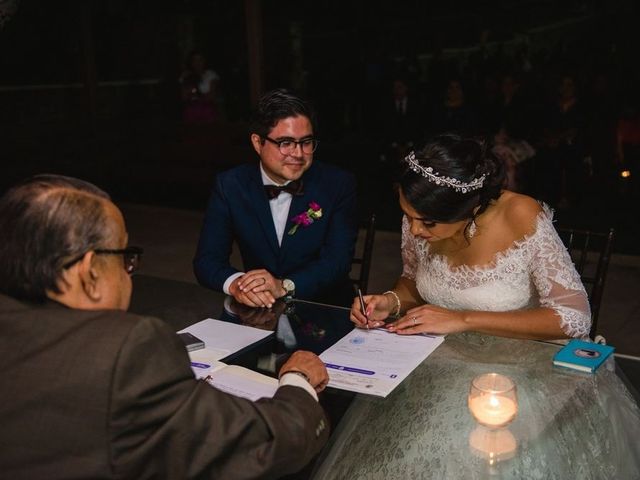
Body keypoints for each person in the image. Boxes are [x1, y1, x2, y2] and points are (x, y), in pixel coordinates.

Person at [0, 174, 330, 479]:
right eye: (125, 258)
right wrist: (297, 380)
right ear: (90, 272)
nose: (129, 274)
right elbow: (268, 444)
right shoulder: (124, 350)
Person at [350, 133, 591, 340]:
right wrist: (390, 302)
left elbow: (574, 317)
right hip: (440, 352)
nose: (414, 230)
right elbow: (413, 280)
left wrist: (463, 319)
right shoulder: (420, 215)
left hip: (519, 358)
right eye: (407, 216)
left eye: (429, 223)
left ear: (469, 209)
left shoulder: (519, 214)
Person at [194, 88, 358, 308]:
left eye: (306, 142)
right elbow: (207, 261)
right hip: (259, 311)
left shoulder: (337, 184)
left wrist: (284, 286)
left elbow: (337, 262)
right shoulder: (231, 185)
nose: (298, 154)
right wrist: (238, 285)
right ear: (257, 142)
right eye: (286, 143)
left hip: (323, 309)